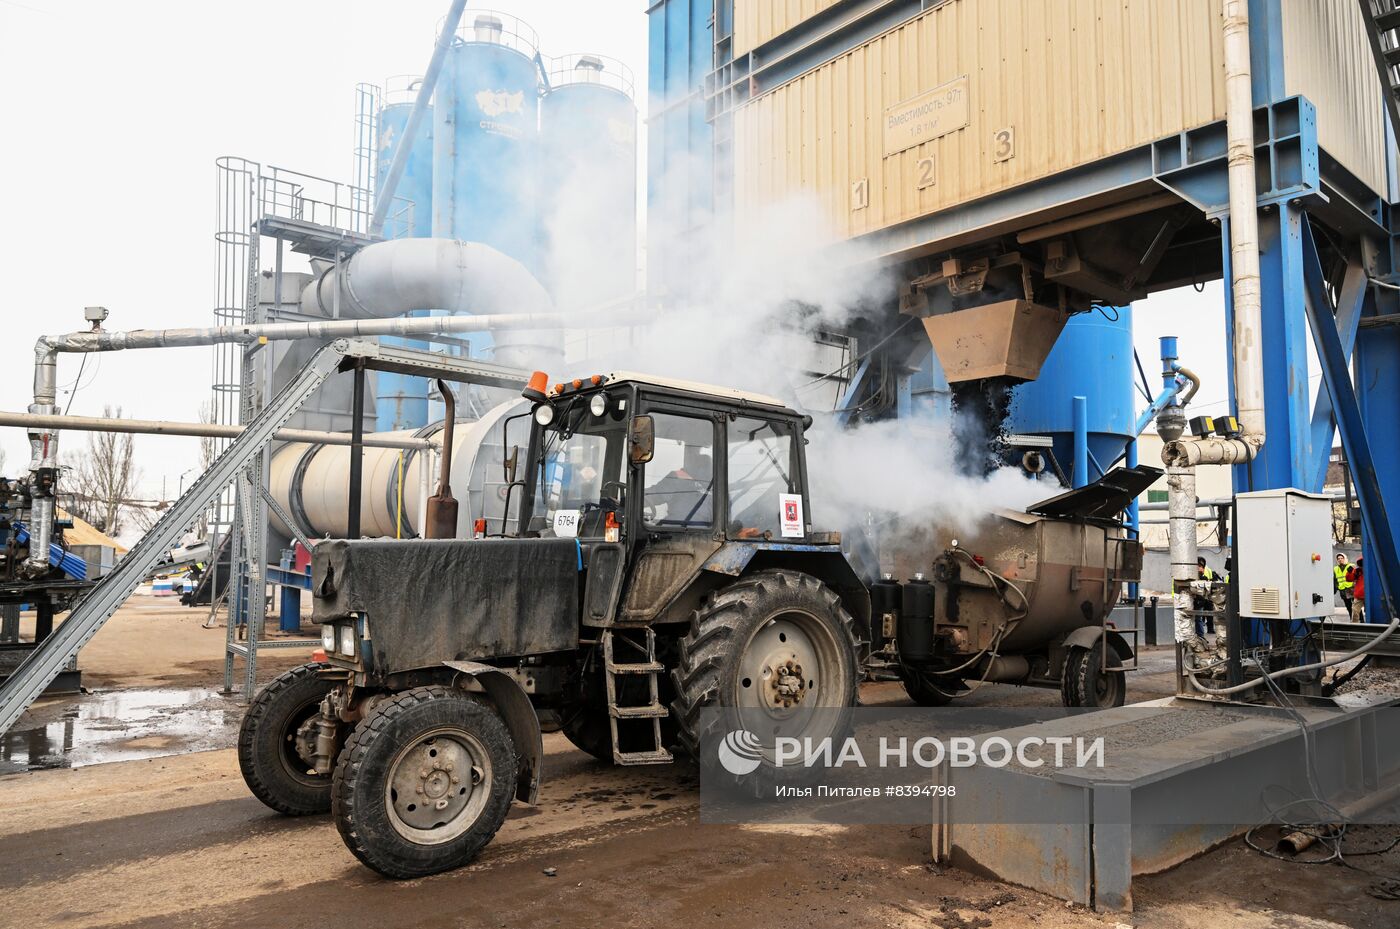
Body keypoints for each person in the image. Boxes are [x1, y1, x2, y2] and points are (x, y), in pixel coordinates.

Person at [1194, 557, 1217, 638]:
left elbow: (1210, 583)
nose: (1200, 568)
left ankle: (1201, 636)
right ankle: (1199, 636)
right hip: (1197, 600)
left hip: (1203, 599)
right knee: (1197, 618)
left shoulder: (1205, 574)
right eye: (1198, 566)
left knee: (1199, 618)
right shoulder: (1193, 576)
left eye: (1201, 566)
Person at [1351, 557, 1366, 622]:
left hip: (1370, 596)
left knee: (1371, 612)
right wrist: (1349, 572)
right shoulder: (1357, 571)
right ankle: (1354, 626)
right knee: (1355, 611)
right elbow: (1349, 579)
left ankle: (1373, 626)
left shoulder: (1372, 569)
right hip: (1359, 595)